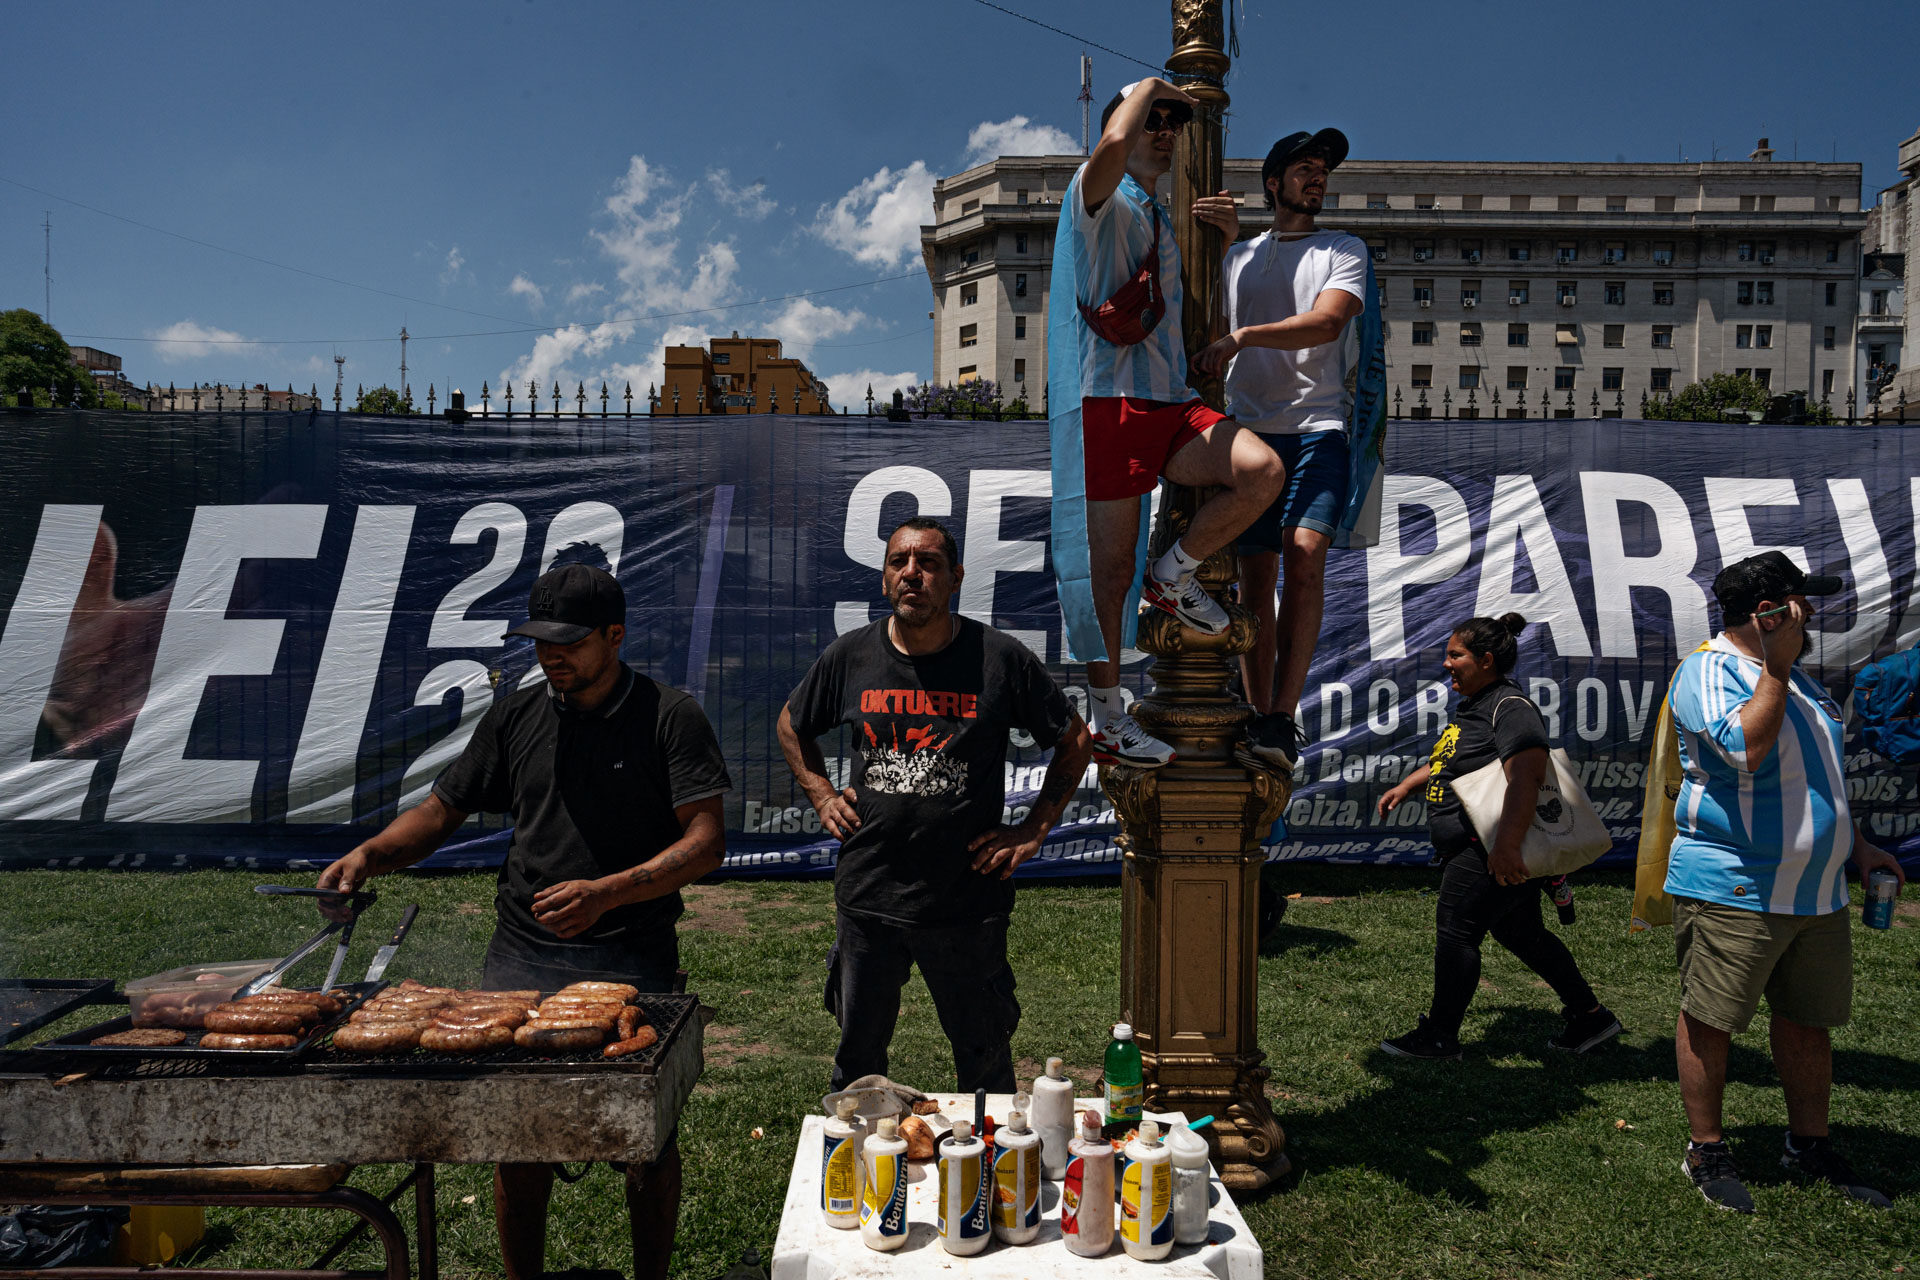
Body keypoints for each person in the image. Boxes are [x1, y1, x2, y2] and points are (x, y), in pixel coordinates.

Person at [317, 563, 730, 1280]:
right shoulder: (516, 716)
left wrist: (608, 893)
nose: (550, 655)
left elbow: (705, 841)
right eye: (540, 641)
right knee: (517, 1138)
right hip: (521, 961)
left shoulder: (669, 715)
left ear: (615, 636)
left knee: (645, 1142)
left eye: (568, 641)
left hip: (631, 958)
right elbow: (440, 812)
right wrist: (370, 855)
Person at [777, 518, 1095, 1092]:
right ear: (884, 579)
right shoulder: (851, 655)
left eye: (928, 563)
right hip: (870, 894)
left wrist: (1034, 829)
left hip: (965, 898)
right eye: (899, 562)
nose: (912, 574)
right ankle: (859, 1149)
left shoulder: (998, 659)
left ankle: (990, 1149)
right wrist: (821, 794)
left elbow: (1074, 739)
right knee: (858, 1060)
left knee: (984, 1060)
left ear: (955, 578)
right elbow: (791, 723)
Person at [1046, 77, 1285, 769]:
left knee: (1262, 471)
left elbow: (1193, 324)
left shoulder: (1160, 218)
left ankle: (1173, 574)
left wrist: (1228, 244)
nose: (1165, 132)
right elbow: (1112, 143)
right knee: (1109, 570)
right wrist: (1150, 85)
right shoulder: (1094, 195)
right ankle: (1107, 717)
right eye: (1155, 119)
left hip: (1172, 401)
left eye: (1174, 123)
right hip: (1111, 402)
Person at [1662, 551, 1906, 1213]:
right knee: (1711, 1020)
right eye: (1802, 603)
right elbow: (1745, 751)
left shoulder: (1799, 681)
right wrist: (1775, 666)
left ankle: (1809, 1144)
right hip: (1736, 886)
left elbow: (1816, 776)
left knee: (1807, 1022)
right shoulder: (1709, 671)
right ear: (1769, 614)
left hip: (1816, 892)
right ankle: (1706, 1149)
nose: (1813, 613)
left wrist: (1858, 847)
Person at [1190, 129, 1368, 773]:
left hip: (1319, 426)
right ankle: (1257, 711)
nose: (1318, 178)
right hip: (1250, 431)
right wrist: (1222, 244)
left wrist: (1243, 337)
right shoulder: (1239, 256)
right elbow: (1204, 324)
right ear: (1274, 183)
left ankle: (1282, 717)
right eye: (1304, 168)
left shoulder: (1342, 247)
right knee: (1255, 576)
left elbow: (1327, 322)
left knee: (1305, 554)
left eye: (1324, 170)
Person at [1375, 613, 1621, 1060]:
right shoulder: (1477, 705)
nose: (1446, 663)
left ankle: (1439, 1036)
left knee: (1457, 931)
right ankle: (1591, 1016)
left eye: (1455, 655)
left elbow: (1526, 777)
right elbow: (1452, 760)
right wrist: (1408, 785)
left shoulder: (1510, 706)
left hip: (1486, 848)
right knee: (1522, 933)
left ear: (1486, 660)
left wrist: (1505, 847)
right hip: (1483, 846)